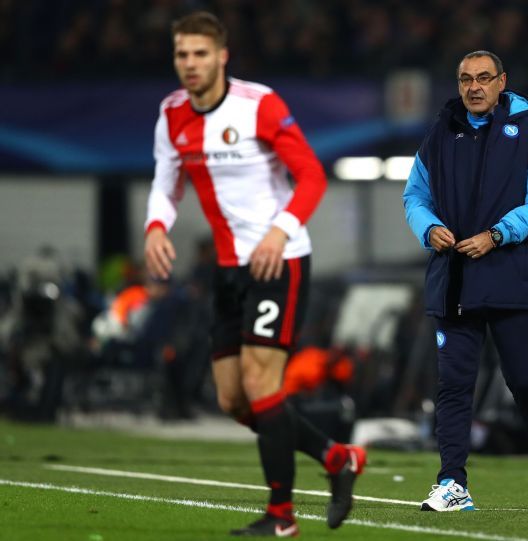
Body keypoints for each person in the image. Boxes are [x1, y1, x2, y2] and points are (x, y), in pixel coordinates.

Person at [143, 12, 365, 536]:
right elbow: (165, 183)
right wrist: (156, 227)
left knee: (260, 381)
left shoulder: (259, 104)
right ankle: (336, 458)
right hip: (228, 269)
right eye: (182, 55)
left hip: (277, 261)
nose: (190, 64)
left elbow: (311, 174)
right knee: (233, 401)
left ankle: (282, 517)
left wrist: (279, 231)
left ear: (222, 56)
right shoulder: (172, 113)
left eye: (200, 54)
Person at [403, 50, 528, 511]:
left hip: (514, 278)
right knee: (453, 387)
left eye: (483, 78)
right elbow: (414, 195)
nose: (473, 87)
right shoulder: (439, 135)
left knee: (524, 382)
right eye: (465, 79)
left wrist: (497, 235)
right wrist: (427, 227)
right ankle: (452, 482)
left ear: (501, 82)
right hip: (454, 279)